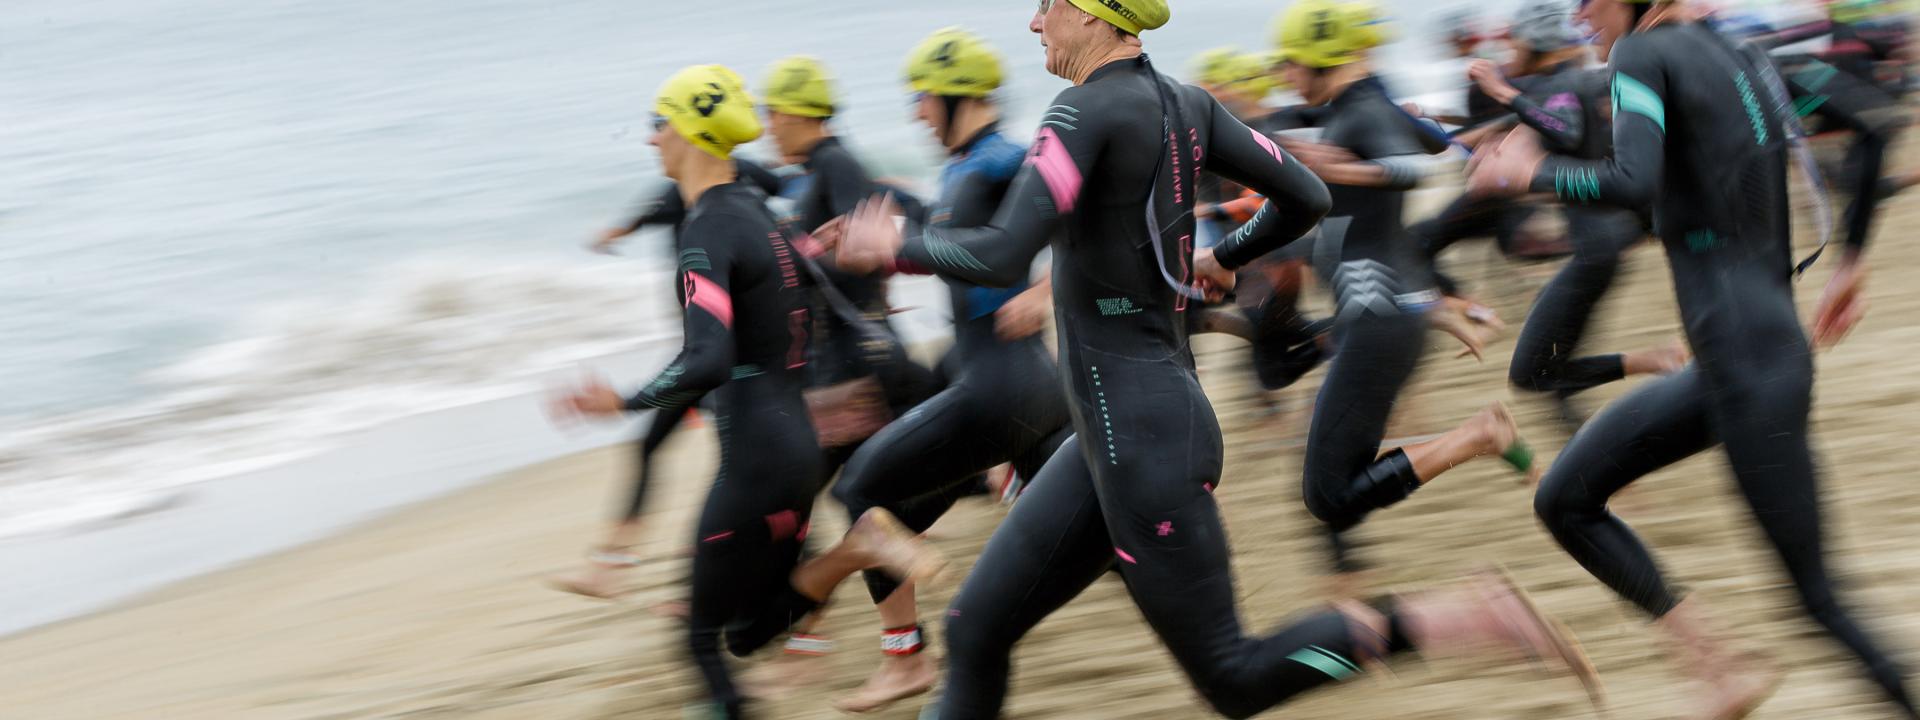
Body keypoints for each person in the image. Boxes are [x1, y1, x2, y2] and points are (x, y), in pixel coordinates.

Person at [836, 1, 1601, 717]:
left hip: (1143, 442)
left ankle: (1456, 619)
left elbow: (1003, 252)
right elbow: (1304, 194)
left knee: (1233, 677)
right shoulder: (1187, 104)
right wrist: (1225, 255)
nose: (1036, 22)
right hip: (1116, 438)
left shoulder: (1080, 109)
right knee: (974, 631)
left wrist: (894, 248)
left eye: (1050, 3)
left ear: (1097, 12)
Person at [1469, 0, 1918, 714]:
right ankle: (1716, 665)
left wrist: (1529, 174)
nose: (1579, 15)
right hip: (1743, 360)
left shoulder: (1642, 58)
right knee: (1565, 499)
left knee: (1822, 603)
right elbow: (1874, 125)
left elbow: (1631, 180)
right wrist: (1853, 258)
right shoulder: (1748, 56)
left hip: (1747, 370)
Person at [549, 64, 944, 720]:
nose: (652, 141)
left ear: (691, 133)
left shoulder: (707, 229)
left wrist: (622, 402)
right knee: (751, 629)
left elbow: (706, 357)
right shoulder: (761, 216)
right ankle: (859, 547)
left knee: (699, 642)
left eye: (661, 126)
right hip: (792, 443)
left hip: (757, 453)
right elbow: (800, 289)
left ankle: (860, 549)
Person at [806, 29, 1073, 713]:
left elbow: (1096, 217)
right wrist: (885, 240)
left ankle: (907, 661)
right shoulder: (963, 170)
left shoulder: (1005, 159)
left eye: (922, 99)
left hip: (1001, 386)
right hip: (1006, 384)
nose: (916, 114)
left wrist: (1048, 292)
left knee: (862, 488)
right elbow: (958, 239)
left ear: (955, 95)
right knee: (898, 509)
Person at [1270, 0, 1542, 576]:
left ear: (1321, 55)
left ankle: (1479, 436)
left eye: (1291, 61)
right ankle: (1480, 437)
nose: (1284, 75)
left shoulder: (1363, 110)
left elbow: (1416, 167)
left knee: (1331, 496)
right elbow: (1431, 144)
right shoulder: (1363, 107)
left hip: (1376, 317)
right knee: (1326, 483)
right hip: (1381, 312)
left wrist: (1343, 170)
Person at [1465, 0, 1688, 418]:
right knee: (1547, 372)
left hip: (1594, 252)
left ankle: (1655, 361)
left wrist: (1504, 93)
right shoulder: (1582, 79)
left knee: (1537, 374)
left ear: (1534, 43)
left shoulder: (1560, 84)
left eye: (1514, 42)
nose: (1509, 52)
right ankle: (1654, 362)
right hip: (1601, 245)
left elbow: (1565, 131)